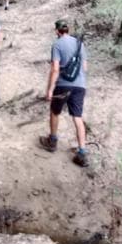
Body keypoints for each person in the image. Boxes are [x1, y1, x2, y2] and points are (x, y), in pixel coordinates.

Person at [39, 18, 88, 167]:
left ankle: (52, 141)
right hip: (80, 85)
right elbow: (85, 67)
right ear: (68, 30)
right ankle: (82, 152)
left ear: (57, 31)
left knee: (55, 112)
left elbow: (55, 69)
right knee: (77, 117)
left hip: (63, 85)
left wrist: (50, 90)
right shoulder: (80, 44)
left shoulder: (57, 45)